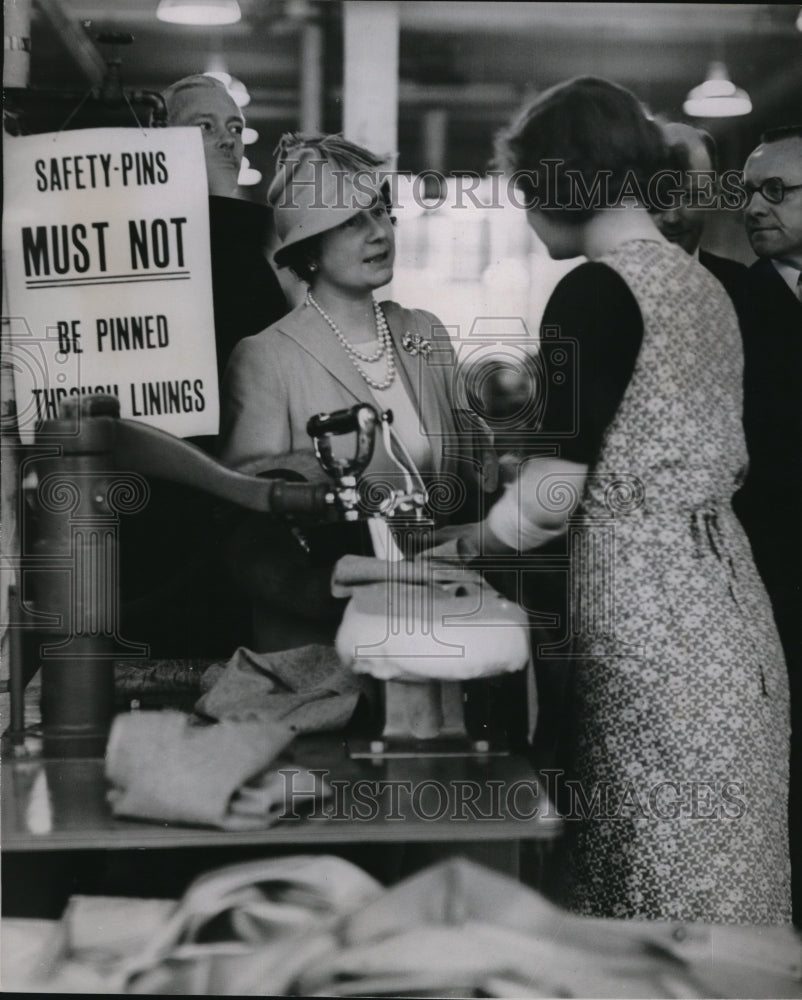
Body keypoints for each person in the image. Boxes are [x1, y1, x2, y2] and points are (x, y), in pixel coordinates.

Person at [450, 77, 790, 922]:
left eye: (527, 192)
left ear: (560, 183)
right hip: (734, 617)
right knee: (724, 885)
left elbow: (551, 493)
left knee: (645, 887)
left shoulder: (591, 292)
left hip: (649, 629)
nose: (527, 217)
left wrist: (459, 546)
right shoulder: (706, 287)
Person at [219, 132, 496, 651]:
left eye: (379, 212)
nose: (378, 232)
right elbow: (255, 527)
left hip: (437, 622)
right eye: (350, 221)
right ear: (310, 249)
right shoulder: (266, 357)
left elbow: (472, 480)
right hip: (328, 643)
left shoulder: (425, 333)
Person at [119, 76, 289, 658]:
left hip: (223, 508)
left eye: (236, 127)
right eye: (204, 126)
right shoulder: (138, 246)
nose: (228, 140)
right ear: (156, 138)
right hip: (161, 508)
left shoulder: (245, 249)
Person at [735, 124, 802, 925]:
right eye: (747, 190)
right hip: (771, 569)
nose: (753, 207)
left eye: (775, 191)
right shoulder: (732, 305)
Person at [652, 121, 750, 325]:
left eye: (690, 196)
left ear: (713, 194)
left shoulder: (745, 287)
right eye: (659, 196)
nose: (671, 217)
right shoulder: (600, 288)